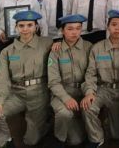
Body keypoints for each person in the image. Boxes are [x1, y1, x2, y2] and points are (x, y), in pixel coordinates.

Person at [0, 10, 52, 148]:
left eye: (30, 25)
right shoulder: (7, 51)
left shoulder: (48, 44)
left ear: (36, 27)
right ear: (16, 27)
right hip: (16, 93)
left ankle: (46, 124)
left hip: (39, 94)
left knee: (31, 141)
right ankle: (5, 142)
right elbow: (2, 79)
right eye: (21, 25)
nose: (25, 29)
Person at [81, 10, 119, 148]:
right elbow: (90, 73)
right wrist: (89, 92)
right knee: (88, 106)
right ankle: (96, 139)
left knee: (117, 135)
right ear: (108, 26)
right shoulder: (97, 48)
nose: (117, 28)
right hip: (102, 89)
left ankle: (116, 124)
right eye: (113, 24)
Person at [48, 14, 92, 148]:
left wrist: (89, 93)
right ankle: (58, 140)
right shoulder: (56, 50)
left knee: (77, 140)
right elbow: (53, 81)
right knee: (64, 114)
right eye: (70, 29)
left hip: (82, 92)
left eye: (78, 28)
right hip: (62, 93)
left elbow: (92, 74)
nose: (74, 32)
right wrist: (66, 98)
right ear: (62, 31)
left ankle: (77, 124)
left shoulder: (89, 47)